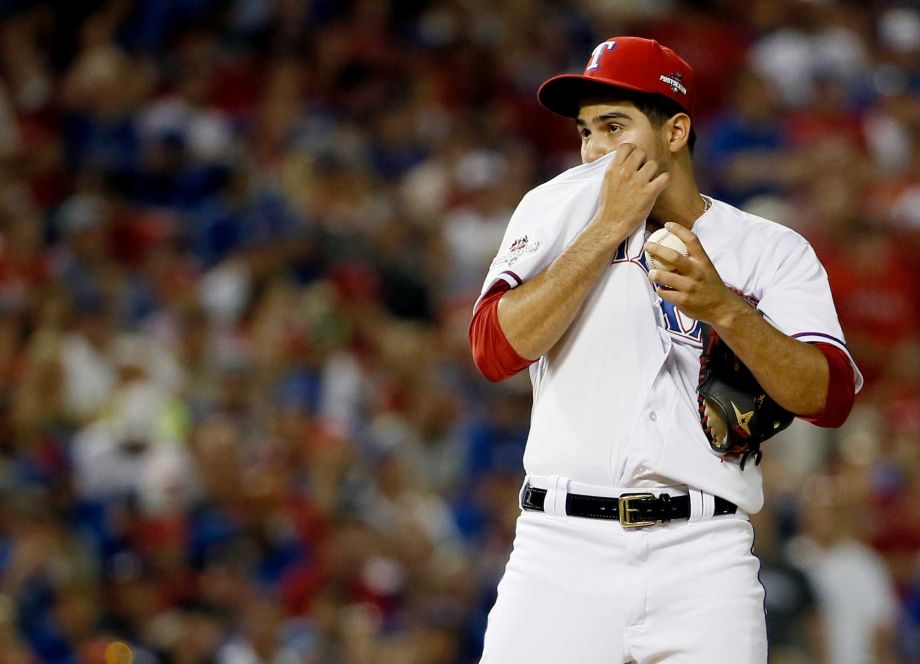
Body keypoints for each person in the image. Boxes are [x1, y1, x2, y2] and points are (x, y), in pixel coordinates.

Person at [468, 36, 860, 664]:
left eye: (614, 126)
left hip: (704, 555)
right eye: (585, 130)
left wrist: (725, 310)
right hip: (560, 550)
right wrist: (607, 229)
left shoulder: (767, 249)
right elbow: (493, 350)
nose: (594, 150)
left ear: (674, 131)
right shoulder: (554, 209)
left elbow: (830, 395)